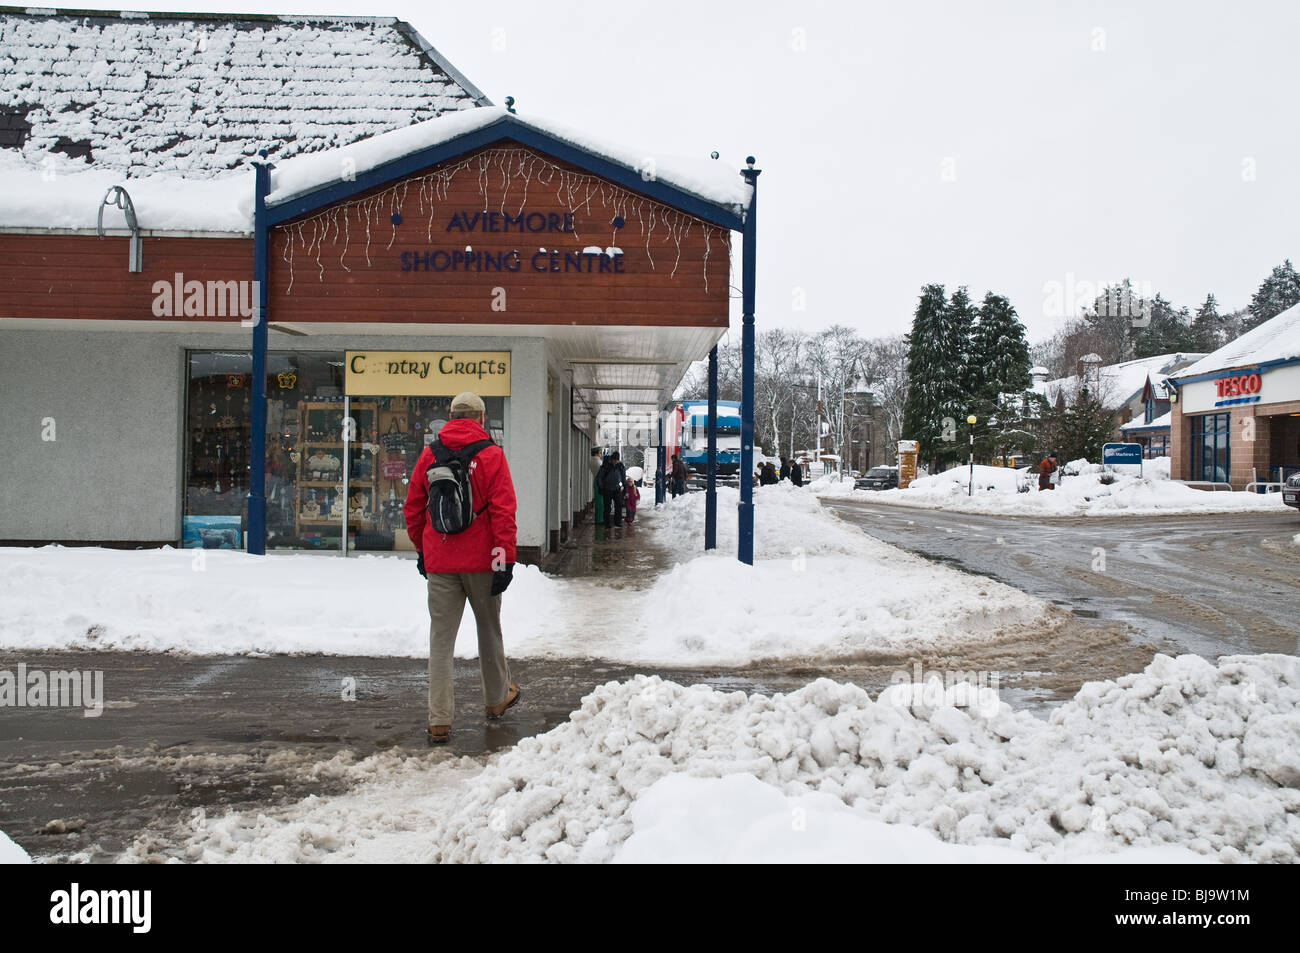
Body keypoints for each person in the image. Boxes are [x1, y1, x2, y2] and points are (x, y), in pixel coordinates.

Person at [403, 391, 520, 745]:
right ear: (481, 419)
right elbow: (503, 512)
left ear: (451, 417)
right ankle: (496, 699)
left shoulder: (429, 454)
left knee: (441, 640)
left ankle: (439, 719)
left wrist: (424, 551)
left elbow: (413, 508)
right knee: (489, 631)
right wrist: (504, 560)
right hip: (482, 562)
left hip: (441, 561)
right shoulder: (491, 455)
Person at [598, 451, 627, 528]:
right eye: (614, 460)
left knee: (618, 507)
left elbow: (623, 478)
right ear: (611, 459)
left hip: (617, 489)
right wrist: (601, 487)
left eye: (617, 460)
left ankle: (618, 522)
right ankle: (607, 523)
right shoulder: (606, 466)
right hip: (607, 489)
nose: (615, 462)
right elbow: (600, 477)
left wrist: (625, 488)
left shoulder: (620, 466)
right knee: (607, 507)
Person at [589, 447, 605, 524]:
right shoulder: (598, 461)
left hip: (596, 481)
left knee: (598, 501)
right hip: (600, 482)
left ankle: (598, 518)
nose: (601, 454)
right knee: (600, 502)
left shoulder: (592, 460)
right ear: (597, 453)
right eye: (600, 452)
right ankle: (600, 519)